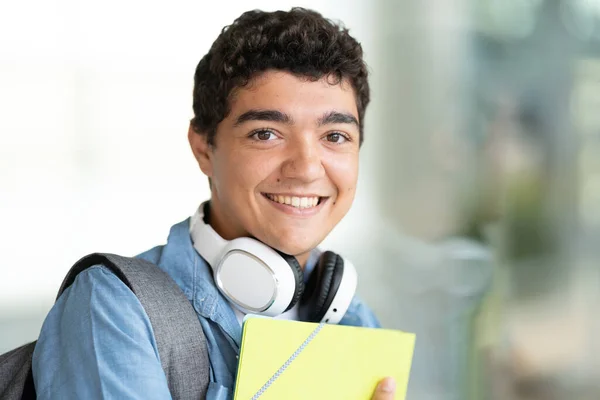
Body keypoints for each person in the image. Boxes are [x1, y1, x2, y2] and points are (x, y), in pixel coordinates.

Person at [31, 7, 395, 400]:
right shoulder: (113, 306)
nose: (306, 169)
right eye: (266, 133)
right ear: (203, 147)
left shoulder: (354, 320)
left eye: (335, 136)